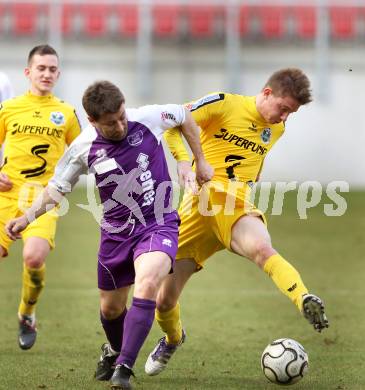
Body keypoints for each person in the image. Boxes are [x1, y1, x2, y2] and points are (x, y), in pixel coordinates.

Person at [5, 80, 214, 389]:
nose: (119, 125)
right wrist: (26, 217)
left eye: (121, 116)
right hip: (116, 235)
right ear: (92, 121)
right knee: (111, 309)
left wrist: (197, 160)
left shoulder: (147, 117)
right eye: (110, 122)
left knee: (147, 284)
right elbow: (55, 189)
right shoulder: (83, 148)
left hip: (159, 223)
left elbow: (183, 116)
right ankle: (116, 351)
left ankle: (124, 370)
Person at [144, 68, 329, 376]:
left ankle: (303, 297)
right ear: (267, 93)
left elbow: (254, 166)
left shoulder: (276, 129)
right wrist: (184, 164)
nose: (284, 118)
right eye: (284, 108)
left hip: (233, 204)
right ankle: (173, 339)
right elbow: (173, 124)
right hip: (196, 209)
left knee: (262, 249)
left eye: (291, 113)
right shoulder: (224, 103)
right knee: (163, 301)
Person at [0, 44, 81, 350]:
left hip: (42, 200)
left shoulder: (67, 113)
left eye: (52, 69)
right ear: (28, 72)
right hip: (6, 196)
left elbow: (84, 155)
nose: (46, 74)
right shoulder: (8, 109)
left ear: (58, 74)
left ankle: (27, 313)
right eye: (41, 68)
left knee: (33, 258)